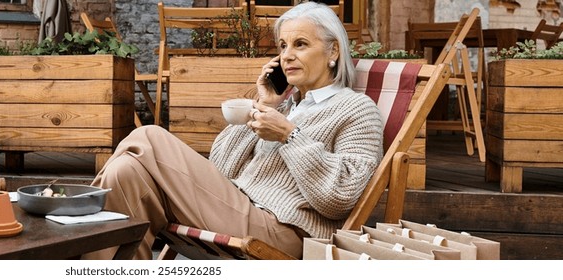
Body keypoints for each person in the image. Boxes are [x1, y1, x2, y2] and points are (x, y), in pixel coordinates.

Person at [85, 1, 383, 260]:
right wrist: (263, 105)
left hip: (283, 230)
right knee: (124, 173)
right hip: (236, 209)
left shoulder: (357, 109)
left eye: (300, 44)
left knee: (149, 136)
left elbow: (342, 196)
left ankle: (70, 215)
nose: (286, 56)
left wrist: (289, 136)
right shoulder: (284, 106)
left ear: (333, 50)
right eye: (282, 46)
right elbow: (222, 167)